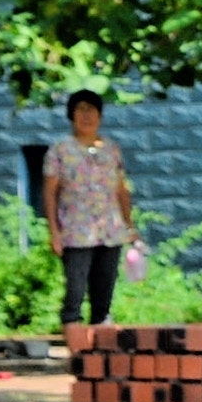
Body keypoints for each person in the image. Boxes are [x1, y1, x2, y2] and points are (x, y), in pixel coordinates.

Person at [38, 91, 137, 330]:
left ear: (100, 116)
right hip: (75, 230)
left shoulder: (111, 149)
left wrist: (129, 224)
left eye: (91, 110)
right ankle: (75, 344)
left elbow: (121, 190)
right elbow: (50, 192)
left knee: (104, 293)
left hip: (110, 230)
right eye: (80, 109)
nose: (86, 116)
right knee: (75, 290)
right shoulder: (60, 150)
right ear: (71, 115)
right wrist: (54, 231)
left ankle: (100, 351)